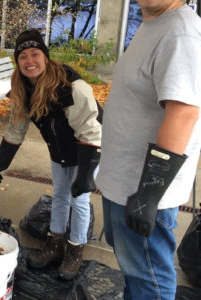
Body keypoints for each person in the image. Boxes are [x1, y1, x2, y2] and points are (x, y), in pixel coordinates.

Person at [95, 1, 201, 299]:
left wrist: (148, 195)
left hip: (141, 191)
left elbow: (184, 113)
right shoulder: (153, 25)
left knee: (149, 280)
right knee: (136, 273)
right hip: (123, 183)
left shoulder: (180, 32)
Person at [0, 29, 102, 280]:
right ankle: (56, 243)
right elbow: (15, 131)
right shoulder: (22, 89)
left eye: (35, 54)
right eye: (23, 56)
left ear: (45, 57)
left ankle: (75, 250)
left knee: (78, 198)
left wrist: (85, 175)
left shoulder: (72, 88)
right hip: (59, 150)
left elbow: (91, 133)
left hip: (89, 147)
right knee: (59, 195)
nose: (29, 61)